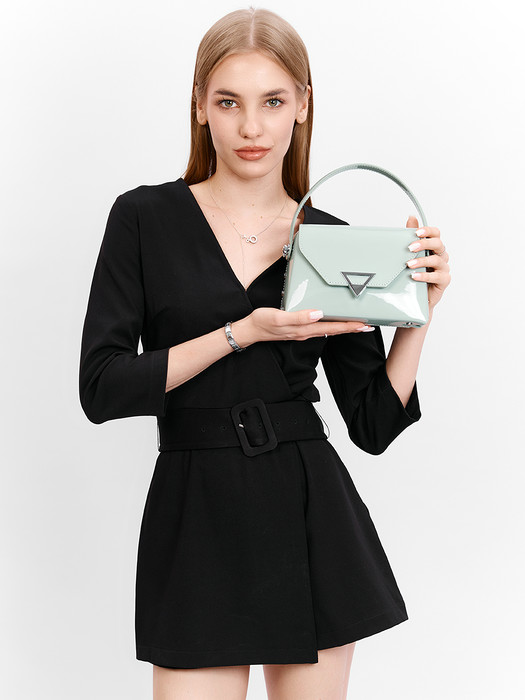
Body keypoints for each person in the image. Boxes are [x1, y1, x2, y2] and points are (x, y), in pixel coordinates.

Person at [79, 7, 451, 699]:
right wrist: (240, 333)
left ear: (303, 104)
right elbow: (102, 387)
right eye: (229, 102)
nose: (251, 128)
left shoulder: (330, 239)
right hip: (194, 512)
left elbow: (372, 425)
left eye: (273, 102)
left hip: (309, 512)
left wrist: (416, 318)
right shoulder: (144, 218)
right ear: (199, 105)